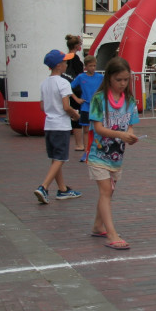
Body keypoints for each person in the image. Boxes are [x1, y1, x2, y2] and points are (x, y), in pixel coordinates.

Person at [87, 57, 140, 250]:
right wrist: (120, 134)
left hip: (117, 157)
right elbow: (98, 128)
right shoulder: (99, 99)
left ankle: (98, 225)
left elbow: (131, 126)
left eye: (126, 80)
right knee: (106, 192)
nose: (123, 84)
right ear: (109, 78)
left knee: (109, 192)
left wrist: (130, 136)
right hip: (98, 155)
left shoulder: (130, 101)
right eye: (119, 80)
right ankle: (112, 234)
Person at [33, 50, 82, 204]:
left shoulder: (44, 83)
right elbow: (66, 106)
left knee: (55, 158)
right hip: (61, 124)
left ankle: (62, 189)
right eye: (65, 62)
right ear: (59, 66)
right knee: (60, 158)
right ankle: (44, 187)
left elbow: (42, 106)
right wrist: (76, 115)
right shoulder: (63, 83)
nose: (67, 64)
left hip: (49, 124)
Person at [71, 55, 103, 163]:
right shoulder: (81, 77)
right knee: (86, 129)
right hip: (85, 106)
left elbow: (108, 86)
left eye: (94, 66)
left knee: (98, 129)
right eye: (90, 66)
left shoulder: (100, 77)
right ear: (86, 66)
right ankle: (86, 151)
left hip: (97, 107)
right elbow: (68, 87)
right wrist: (76, 99)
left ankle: (98, 150)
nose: (93, 68)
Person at [63, 34, 85, 151]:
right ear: (77, 46)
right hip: (75, 90)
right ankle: (79, 144)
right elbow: (79, 76)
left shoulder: (64, 57)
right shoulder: (75, 59)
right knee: (76, 117)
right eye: (80, 44)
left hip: (65, 90)